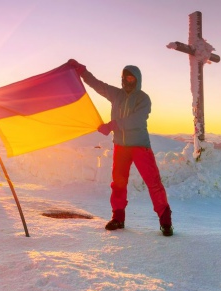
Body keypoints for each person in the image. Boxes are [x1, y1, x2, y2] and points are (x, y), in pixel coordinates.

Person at [67, 59, 173, 236]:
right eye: (125, 78)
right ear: (122, 79)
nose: (128, 81)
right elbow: (98, 85)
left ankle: (166, 222)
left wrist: (113, 125)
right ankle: (118, 218)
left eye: (132, 78)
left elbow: (137, 119)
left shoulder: (143, 98)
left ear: (137, 80)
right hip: (121, 147)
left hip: (140, 146)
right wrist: (82, 71)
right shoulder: (116, 94)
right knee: (118, 184)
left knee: (153, 183)